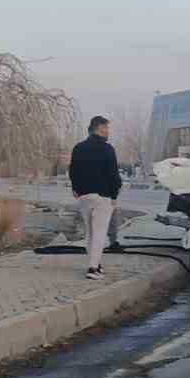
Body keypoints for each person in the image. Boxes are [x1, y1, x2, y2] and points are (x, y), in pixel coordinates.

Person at [70, 115, 122, 279]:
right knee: (99, 233)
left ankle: (96, 264)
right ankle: (92, 269)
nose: (108, 132)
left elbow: (72, 171)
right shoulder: (107, 149)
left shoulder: (78, 147)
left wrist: (76, 189)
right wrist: (114, 194)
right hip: (102, 197)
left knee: (90, 233)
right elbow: (113, 174)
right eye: (106, 128)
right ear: (99, 128)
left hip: (84, 196)